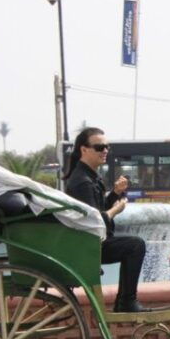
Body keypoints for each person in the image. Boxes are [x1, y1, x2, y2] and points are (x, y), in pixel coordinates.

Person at [64, 127, 148, 312]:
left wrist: (115, 193)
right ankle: (126, 302)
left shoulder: (89, 177)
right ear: (84, 150)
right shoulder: (82, 181)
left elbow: (96, 210)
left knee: (133, 245)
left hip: (93, 242)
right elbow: (96, 221)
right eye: (99, 147)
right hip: (90, 246)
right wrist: (116, 209)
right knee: (136, 246)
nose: (105, 151)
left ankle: (125, 302)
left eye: (107, 147)